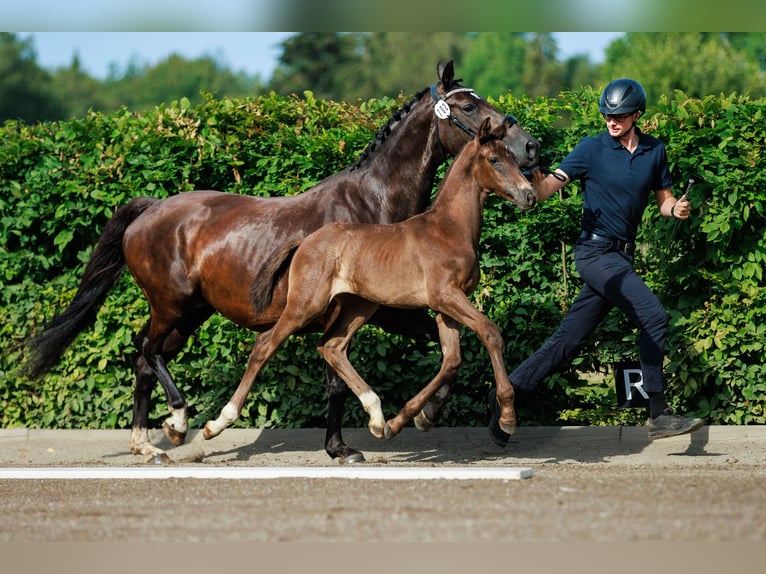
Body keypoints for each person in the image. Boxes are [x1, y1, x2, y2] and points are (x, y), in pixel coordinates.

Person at [489, 78, 704, 445]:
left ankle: (503, 399)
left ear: (637, 115)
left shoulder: (655, 151)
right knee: (654, 315)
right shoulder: (591, 148)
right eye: (607, 114)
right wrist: (536, 187)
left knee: (568, 339)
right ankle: (659, 413)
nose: (612, 121)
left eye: (619, 115)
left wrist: (676, 209)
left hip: (621, 259)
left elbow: (664, 201)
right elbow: (549, 187)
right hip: (594, 253)